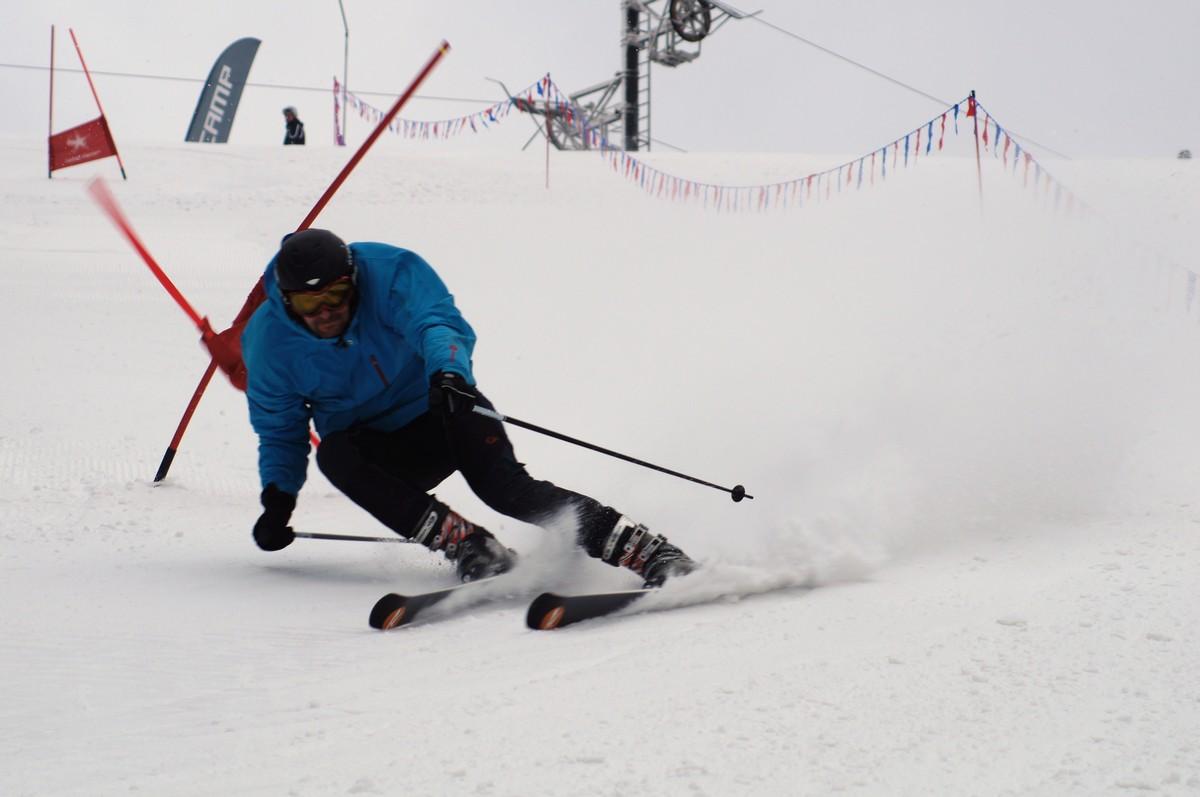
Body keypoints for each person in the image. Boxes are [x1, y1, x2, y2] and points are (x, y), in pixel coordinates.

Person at [240, 229, 696, 586]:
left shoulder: (392, 271)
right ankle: (471, 547)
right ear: (285, 300)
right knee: (334, 455)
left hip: (443, 403)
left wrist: (449, 374)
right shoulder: (268, 344)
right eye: (307, 301)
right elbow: (281, 430)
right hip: (381, 452)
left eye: (336, 295)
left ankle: (650, 552)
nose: (324, 312)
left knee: (506, 490)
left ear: (354, 281)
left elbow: (436, 322)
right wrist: (278, 500)